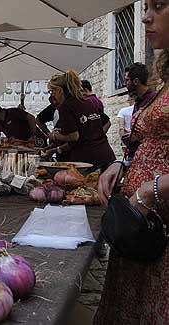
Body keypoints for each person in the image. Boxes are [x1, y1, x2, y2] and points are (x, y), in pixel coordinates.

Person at [94, 1, 169, 322]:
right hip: (142, 222)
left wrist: (149, 192)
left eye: (160, 5)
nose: (145, 16)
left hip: (159, 222)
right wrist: (123, 165)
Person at [47, 70, 115, 169]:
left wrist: (55, 136)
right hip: (106, 155)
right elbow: (107, 123)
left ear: (59, 90)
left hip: (86, 160)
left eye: (51, 91)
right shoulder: (89, 101)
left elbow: (74, 136)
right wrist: (95, 136)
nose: (52, 95)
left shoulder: (66, 106)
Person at [122, 62, 158, 162]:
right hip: (136, 154)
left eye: (127, 80)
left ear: (136, 81)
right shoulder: (139, 100)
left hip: (148, 157)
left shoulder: (153, 100)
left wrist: (136, 136)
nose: (125, 84)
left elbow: (156, 131)